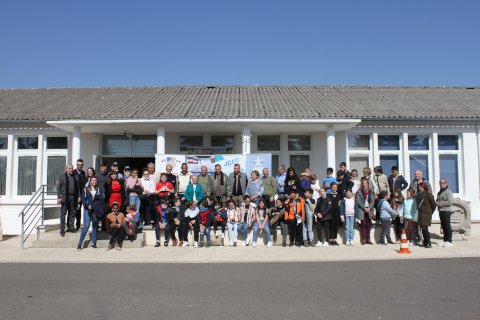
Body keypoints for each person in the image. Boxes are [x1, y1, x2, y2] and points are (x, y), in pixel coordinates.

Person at [77, 176, 104, 250]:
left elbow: (101, 199)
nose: (94, 181)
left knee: (95, 226)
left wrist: (95, 206)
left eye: (95, 180)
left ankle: (93, 243)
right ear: (90, 181)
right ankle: (80, 243)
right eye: (93, 180)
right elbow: (83, 199)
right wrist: (87, 205)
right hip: (87, 210)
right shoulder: (85, 190)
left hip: (95, 210)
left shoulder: (99, 190)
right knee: (86, 226)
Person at [56, 164, 81, 236]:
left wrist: (79, 196)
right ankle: (62, 228)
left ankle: (71, 226)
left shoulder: (75, 177)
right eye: (70, 168)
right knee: (63, 213)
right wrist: (59, 197)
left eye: (72, 168)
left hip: (73, 197)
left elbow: (78, 188)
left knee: (73, 212)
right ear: (66, 169)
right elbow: (58, 187)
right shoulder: (62, 176)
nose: (71, 170)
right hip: (64, 197)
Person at [356, 178, 375, 245]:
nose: (364, 184)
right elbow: (358, 201)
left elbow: (372, 201)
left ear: (367, 184)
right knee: (363, 224)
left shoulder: (371, 191)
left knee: (368, 224)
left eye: (365, 183)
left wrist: (369, 208)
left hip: (369, 209)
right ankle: (364, 238)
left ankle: (368, 238)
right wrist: (364, 208)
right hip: (362, 209)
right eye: (363, 183)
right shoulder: (359, 192)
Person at [436, 178, 453, 247]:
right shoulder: (439, 192)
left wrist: (441, 204)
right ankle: (444, 239)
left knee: (447, 225)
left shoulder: (448, 191)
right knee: (443, 225)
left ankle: (449, 240)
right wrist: (436, 202)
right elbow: (437, 200)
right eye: (440, 183)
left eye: (443, 183)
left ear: (446, 184)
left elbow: (449, 202)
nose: (442, 184)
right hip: (441, 210)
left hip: (446, 210)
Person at [73, 159, 86, 231]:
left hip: (82, 194)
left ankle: (78, 225)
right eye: (78, 164)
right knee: (73, 210)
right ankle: (71, 225)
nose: (80, 166)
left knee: (79, 210)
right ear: (76, 165)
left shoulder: (83, 173)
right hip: (75, 194)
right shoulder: (74, 172)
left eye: (81, 165)